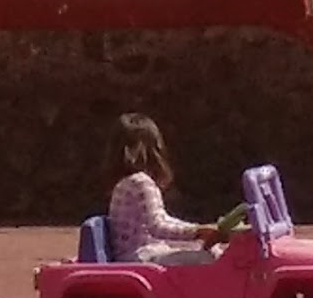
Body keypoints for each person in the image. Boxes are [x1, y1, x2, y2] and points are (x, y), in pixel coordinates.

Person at [103, 113, 242, 266]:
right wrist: (197, 232)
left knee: (205, 249)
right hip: (141, 258)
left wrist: (197, 231)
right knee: (211, 257)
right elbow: (158, 227)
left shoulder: (127, 183)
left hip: (140, 254)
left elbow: (162, 220)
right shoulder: (140, 183)